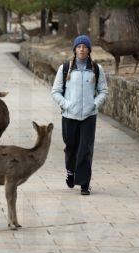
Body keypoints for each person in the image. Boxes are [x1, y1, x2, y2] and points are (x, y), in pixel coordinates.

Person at [51, 35, 108, 195]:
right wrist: (67, 105)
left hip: (89, 117)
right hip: (69, 116)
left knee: (86, 149)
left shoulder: (96, 69)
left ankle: (84, 183)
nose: (82, 49)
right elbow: (55, 92)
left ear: (89, 50)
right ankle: (70, 170)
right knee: (71, 148)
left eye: (85, 47)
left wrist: (94, 104)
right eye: (79, 47)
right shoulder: (65, 68)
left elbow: (103, 91)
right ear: (75, 50)